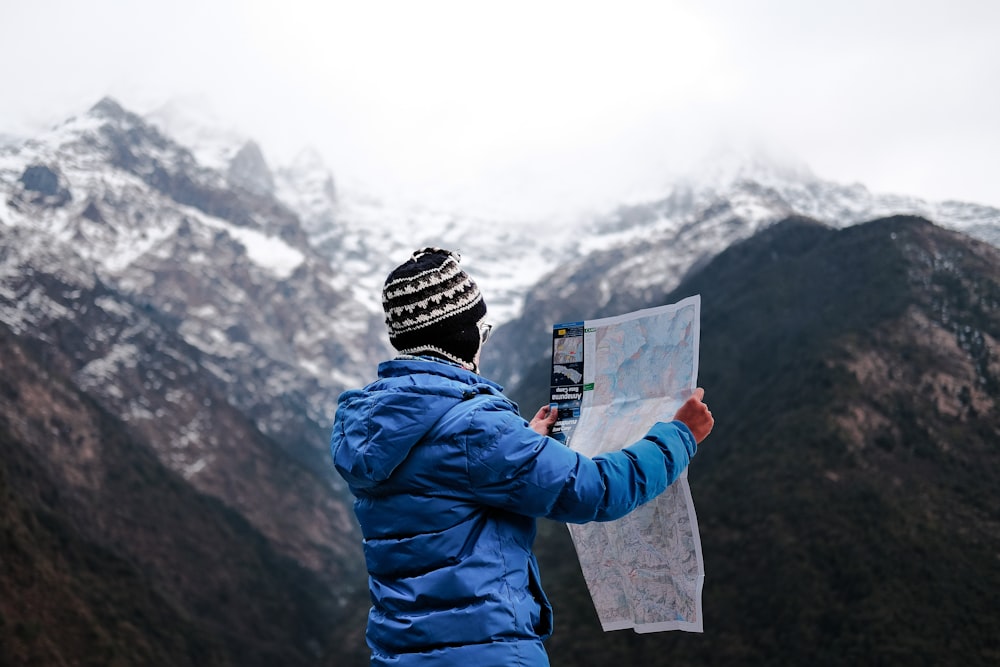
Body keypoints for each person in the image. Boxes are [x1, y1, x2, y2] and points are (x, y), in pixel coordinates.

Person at [330, 247, 714, 667]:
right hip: (487, 652)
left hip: (397, 654)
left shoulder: (372, 425)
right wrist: (680, 435)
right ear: (465, 334)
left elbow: (442, 482)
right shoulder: (476, 429)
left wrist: (520, 444)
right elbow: (595, 492)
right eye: (482, 327)